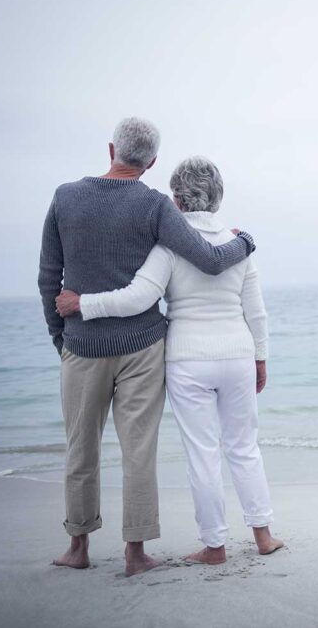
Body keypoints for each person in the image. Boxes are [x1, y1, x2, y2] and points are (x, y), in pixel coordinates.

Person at [38, 117, 256, 576]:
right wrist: (247, 243)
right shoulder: (155, 205)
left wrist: (62, 338)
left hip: (82, 346)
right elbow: (211, 259)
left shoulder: (64, 197)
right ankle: (135, 554)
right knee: (138, 451)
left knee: (80, 449)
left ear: (111, 148)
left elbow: (48, 278)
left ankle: (78, 547)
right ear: (152, 162)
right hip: (142, 347)